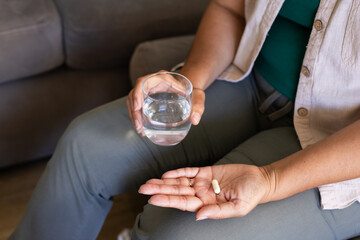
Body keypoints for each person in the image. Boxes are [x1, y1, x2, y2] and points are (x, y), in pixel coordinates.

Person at [10, 0, 360, 239]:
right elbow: (229, 8)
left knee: (177, 229)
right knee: (84, 145)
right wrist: (190, 81)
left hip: (340, 148)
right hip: (250, 80)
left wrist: (269, 180)